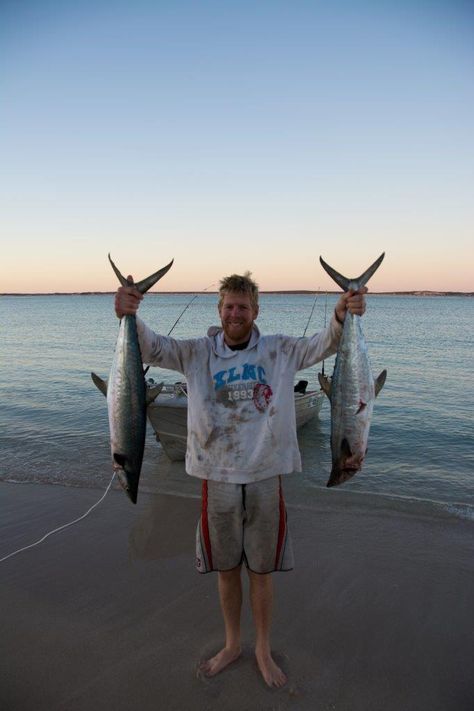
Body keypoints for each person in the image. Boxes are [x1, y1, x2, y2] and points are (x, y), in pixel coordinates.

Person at [115, 270, 367, 688]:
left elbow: (326, 343)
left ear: (256, 312)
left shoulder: (280, 350)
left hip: (267, 476)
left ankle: (263, 649)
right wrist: (128, 313)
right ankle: (233, 644)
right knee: (227, 570)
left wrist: (343, 313)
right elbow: (151, 346)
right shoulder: (196, 353)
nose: (235, 314)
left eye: (243, 307)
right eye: (229, 306)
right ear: (219, 310)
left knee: (261, 572)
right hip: (216, 479)